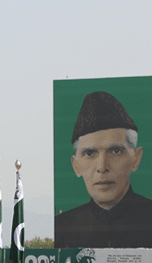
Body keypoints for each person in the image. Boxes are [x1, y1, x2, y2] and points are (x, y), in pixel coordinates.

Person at [55, 91, 152, 248]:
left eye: (115, 151)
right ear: (76, 165)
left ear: (136, 158)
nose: (102, 167)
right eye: (89, 153)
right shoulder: (62, 228)